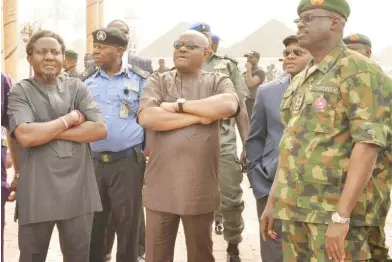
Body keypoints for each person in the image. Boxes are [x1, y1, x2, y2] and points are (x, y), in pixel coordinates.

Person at [260, 0, 392, 261]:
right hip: (296, 210)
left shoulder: (359, 70)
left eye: (309, 18)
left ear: (335, 22)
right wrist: (273, 200)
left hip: (335, 214)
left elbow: (368, 146)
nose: (300, 24)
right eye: (299, 19)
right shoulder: (301, 78)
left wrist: (341, 215)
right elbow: (289, 143)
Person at [138, 30, 239, 262]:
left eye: (190, 45)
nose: (181, 48)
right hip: (160, 187)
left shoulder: (218, 80)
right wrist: (200, 116)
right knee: (157, 256)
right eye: (178, 44)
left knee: (201, 254)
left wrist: (177, 106)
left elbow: (227, 106)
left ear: (207, 53)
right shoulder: (158, 80)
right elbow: (148, 118)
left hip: (200, 186)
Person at [7, 30, 107, 262]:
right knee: (32, 256)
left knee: (78, 257)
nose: (50, 56)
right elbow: (26, 136)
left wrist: (48, 130)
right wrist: (68, 120)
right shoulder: (20, 91)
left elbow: (99, 130)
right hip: (36, 190)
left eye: (55, 52)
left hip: (79, 192)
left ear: (63, 57)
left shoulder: (77, 88)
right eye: (42, 52)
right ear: (30, 58)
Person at [246, 34, 312, 261]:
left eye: (298, 52)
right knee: (274, 249)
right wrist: (257, 178)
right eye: (287, 53)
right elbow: (255, 138)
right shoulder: (267, 91)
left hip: (314, 188)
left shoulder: (328, 87)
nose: (290, 56)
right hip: (271, 182)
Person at [84, 27, 148, 262]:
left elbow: (147, 118)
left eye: (102, 48)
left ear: (120, 50)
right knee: (94, 223)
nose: (96, 53)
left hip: (127, 163)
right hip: (93, 162)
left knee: (128, 224)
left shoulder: (140, 80)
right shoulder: (87, 80)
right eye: (95, 48)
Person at [190, 23, 249, 262]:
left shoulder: (227, 65)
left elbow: (241, 107)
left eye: (207, 38)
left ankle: (233, 245)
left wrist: (247, 144)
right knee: (192, 201)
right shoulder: (181, 67)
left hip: (223, 141)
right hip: (191, 143)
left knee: (231, 198)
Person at [344, 33, 392, 261]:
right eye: (348, 51)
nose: (352, 56)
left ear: (368, 53)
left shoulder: (382, 84)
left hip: (376, 179)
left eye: (357, 51)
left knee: (372, 237)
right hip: (349, 180)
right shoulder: (346, 85)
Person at [243, 51, 265, 120]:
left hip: (254, 102)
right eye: (247, 57)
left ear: (257, 59)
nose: (248, 59)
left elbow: (250, 84)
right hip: (245, 101)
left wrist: (248, 69)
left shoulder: (261, 72)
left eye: (251, 57)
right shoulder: (245, 73)